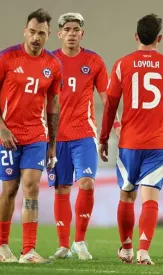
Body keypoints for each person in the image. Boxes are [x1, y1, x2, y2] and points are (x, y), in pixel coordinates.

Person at [99, 13, 163, 265]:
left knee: (127, 195)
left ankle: (126, 249)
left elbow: (110, 106)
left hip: (130, 142)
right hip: (158, 143)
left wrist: (104, 137)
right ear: (159, 38)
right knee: (150, 199)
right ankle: (143, 251)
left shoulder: (122, 64)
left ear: (136, 36)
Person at [0, 8, 62, 263]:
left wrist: (51, 144)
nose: (36, 37)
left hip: (36, 136)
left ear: (48, 35)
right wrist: (1, 127)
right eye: (32, 32)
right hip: (8, 137)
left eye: (41, 33)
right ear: (25, 32)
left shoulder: (53, 65)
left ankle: (28, 250)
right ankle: (3, 245)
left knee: (31, 188)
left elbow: (54, 105)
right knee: (10, 189)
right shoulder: (6, 57)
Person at [48, 12, 120, 261]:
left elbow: (105, 98)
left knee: (87, 182)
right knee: (61, 189)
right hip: (56, 137)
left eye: (75, 29)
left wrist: (115, 125)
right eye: (66, 29)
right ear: (59, 34)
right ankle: (63, 246)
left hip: (84, 133)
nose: (71, 33)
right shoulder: (49, 60)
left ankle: (79, 241)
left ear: (82, 34)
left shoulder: (94, 61)